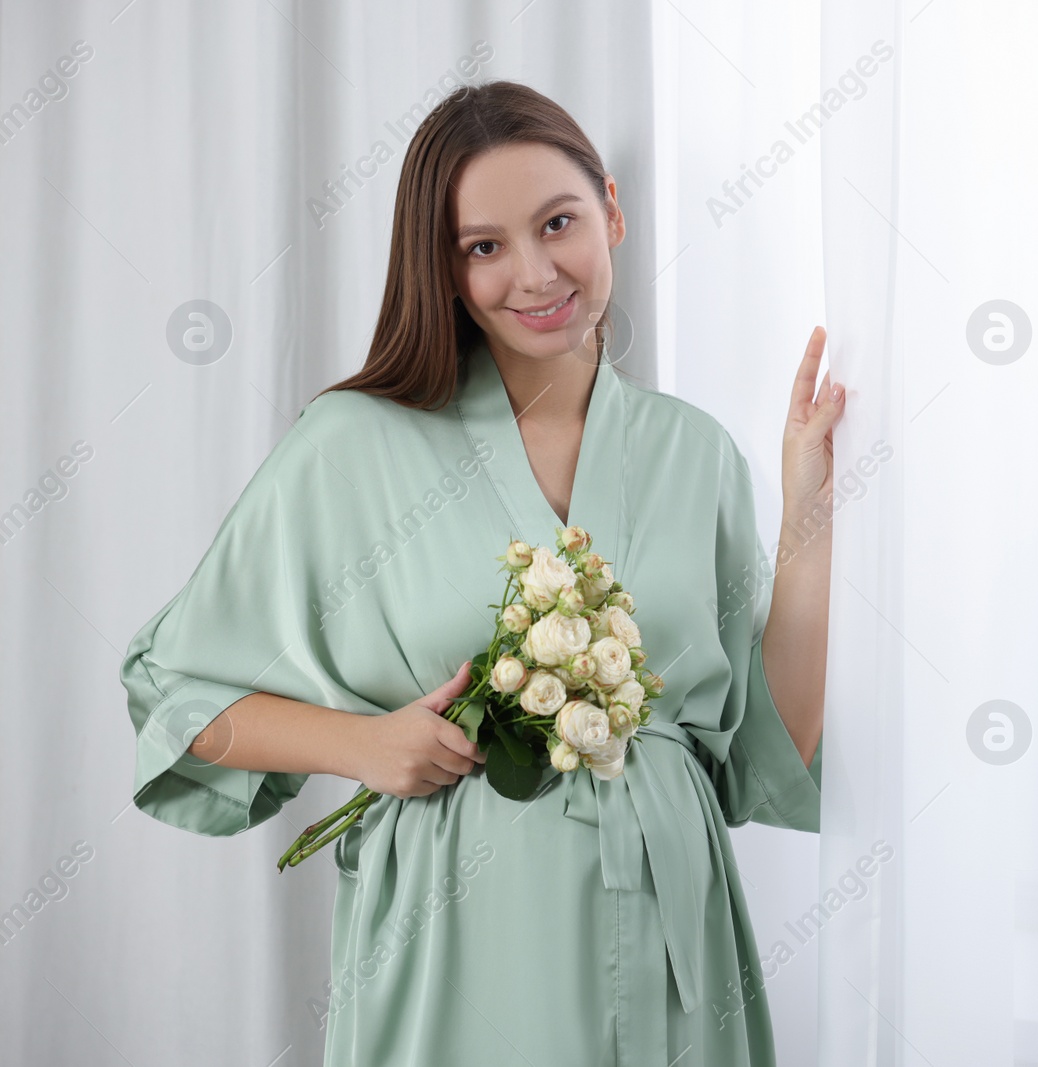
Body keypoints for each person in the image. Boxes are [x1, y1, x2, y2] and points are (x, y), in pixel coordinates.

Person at [120, 79, 843, 1066]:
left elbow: (770, 742)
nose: (537, 273)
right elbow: (172, 691)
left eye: (558, 223)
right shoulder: (354, 444)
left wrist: (808, 505)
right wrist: (362, 744)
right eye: (483, 246)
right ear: (445, 269)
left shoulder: (694, 452)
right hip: (458, 936)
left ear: (613, 211)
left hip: (675, 940)